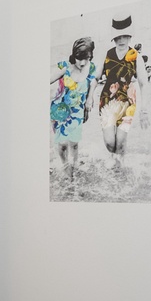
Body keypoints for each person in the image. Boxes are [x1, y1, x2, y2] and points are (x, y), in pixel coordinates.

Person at [98, 17, 148, 172]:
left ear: (130, 36)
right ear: (114, 38)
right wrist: (87, 99)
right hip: (107, 100)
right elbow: (95, 78)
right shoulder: (107, 54)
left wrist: (143, 110)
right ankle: (114, 159)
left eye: (125, 36)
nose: (121, 40)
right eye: (118, 37)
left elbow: (143, 83)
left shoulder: (135, 56)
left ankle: (119, 167)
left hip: (128, 101)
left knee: (120, 141)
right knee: (109, 142)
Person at [50, 37, 97, 189]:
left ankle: (75, 166)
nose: (82, 63)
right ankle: (64, 167)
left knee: (74, 143)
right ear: (74, 55)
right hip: (60, 109)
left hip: (77, 110)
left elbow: (94, 81)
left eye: (86, 58)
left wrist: (89, 99)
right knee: (62, 143)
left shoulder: (91, 67)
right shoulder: (66, 67)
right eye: (79, 58)